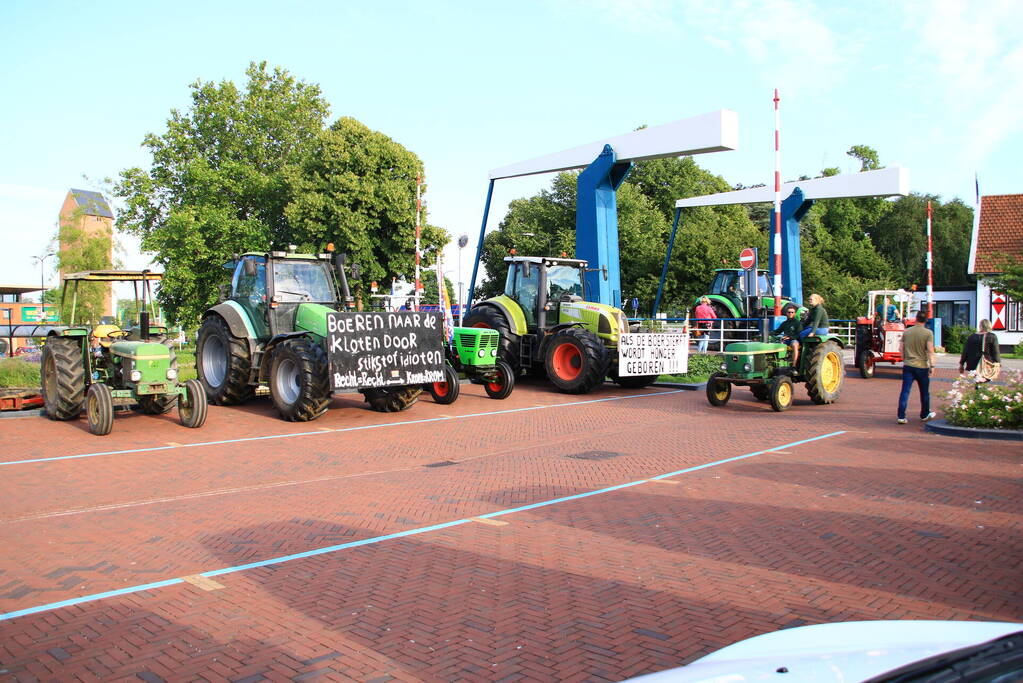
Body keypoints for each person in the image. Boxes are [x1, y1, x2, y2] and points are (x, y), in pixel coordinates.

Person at [897, 310, 937, 424]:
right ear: (925, 320)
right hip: (922, 366)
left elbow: (901, 348)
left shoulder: (907, 332)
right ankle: (924, 414)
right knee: (924, 392)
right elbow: (930, 350)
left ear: (916, 318)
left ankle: (901, 416)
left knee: (905, 391)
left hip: (908, 365)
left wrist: (905, 359)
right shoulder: (928, 333)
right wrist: (932, 365)